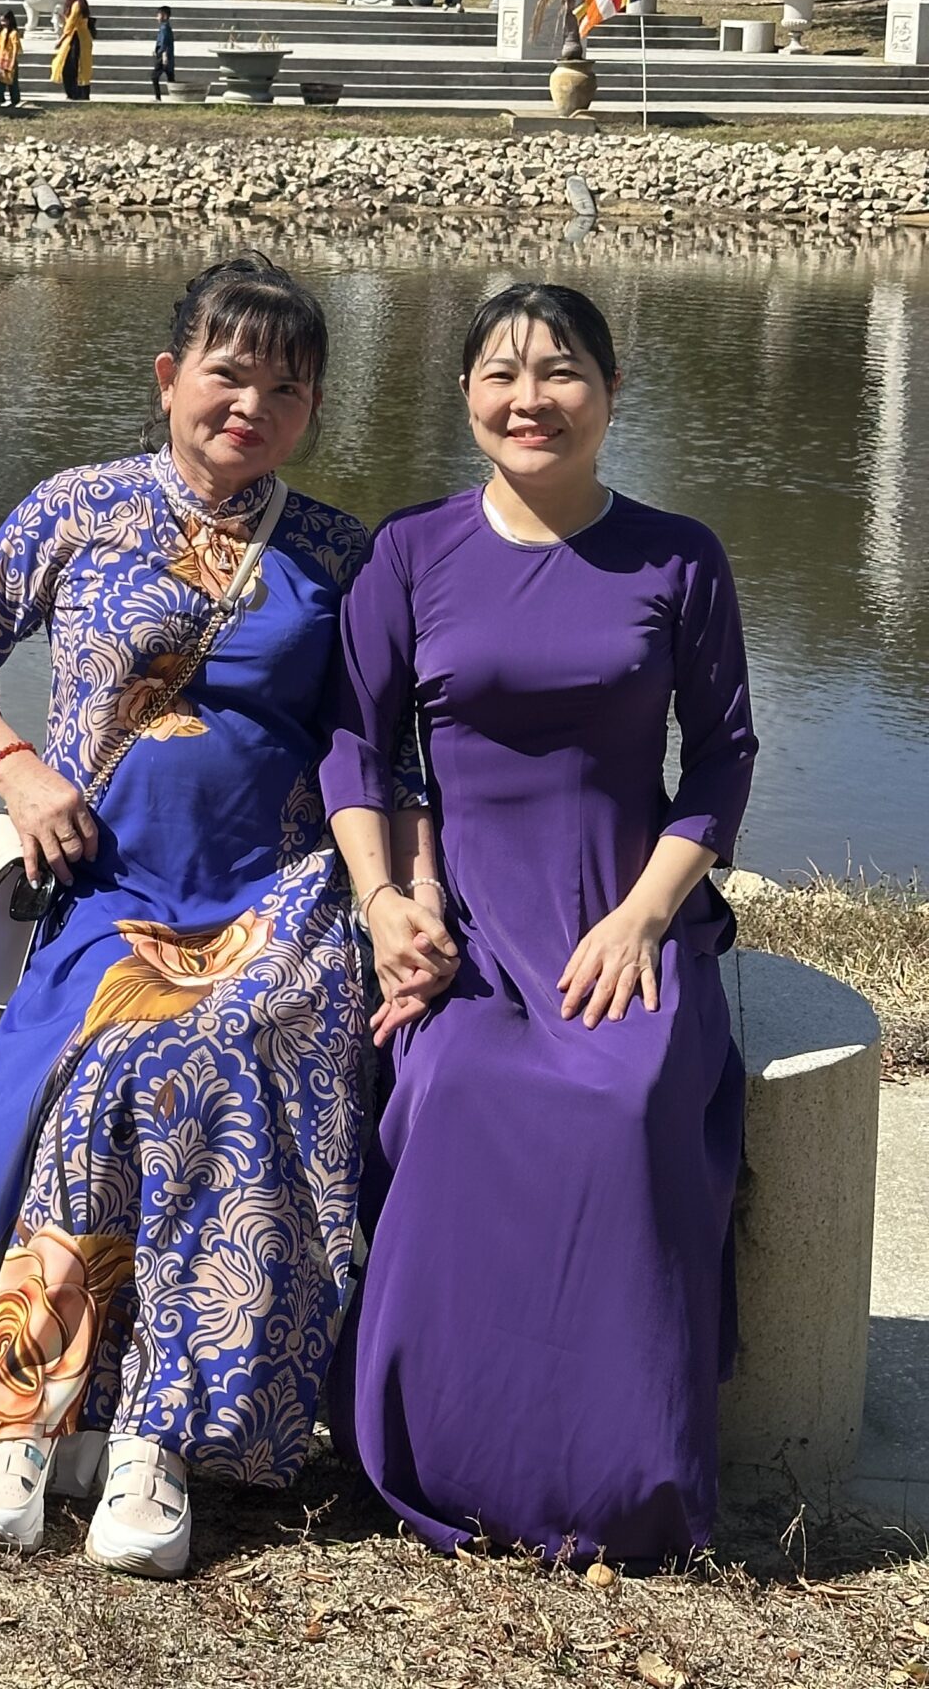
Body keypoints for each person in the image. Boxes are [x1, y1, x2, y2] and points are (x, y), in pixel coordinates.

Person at [0, 258, 434, 1577]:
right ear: (168, 378)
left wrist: (406, 898)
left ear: (313, 409)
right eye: (227, 373)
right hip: (113, 893)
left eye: (285, 386)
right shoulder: (75, 508)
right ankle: (22, 1415)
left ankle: (162, 1433)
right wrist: (15, 768)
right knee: (108, 1063)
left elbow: (388, 749)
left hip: (277, 895)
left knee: (223, 1058)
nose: (250, 404)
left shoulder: (341, 555)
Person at [320, 282, 757, 1567]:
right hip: (466, 916)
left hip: (623, 904)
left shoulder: (679, 555)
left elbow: (722, 758)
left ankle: (623, 1480)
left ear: (611, 391)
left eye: (561, 371)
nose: (531, 399)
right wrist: (389, 902)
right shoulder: (412, 550)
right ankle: (438, 1453)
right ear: (466, 394)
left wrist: (644, 918)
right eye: (502, 374)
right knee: (451, 1082)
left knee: (624, 1103)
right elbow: (356, 745)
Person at [49, 0, 96, 100]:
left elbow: (71, 25)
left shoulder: (76, 5)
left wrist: (60, 40)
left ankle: (74, 93)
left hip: (76, 38)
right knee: (81, 66)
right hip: (83, 37)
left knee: (70, 67)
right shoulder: (82, 4)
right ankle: (81, 93)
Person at [0, 9, 23, 111]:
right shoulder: (0, 33)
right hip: (2, 60)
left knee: (12, 82)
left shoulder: (13, 33)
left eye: (4, 21)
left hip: (10, 60)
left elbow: (15, 48)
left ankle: (15, 100)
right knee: (0, 81)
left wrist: (13, 61)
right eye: (1, 21)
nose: (3, 23)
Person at [150, 5, 176, 103]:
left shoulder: (165, 28)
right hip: (167, 56)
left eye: (159, 15)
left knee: (154, 76)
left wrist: (163, 55)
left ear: (164, 16)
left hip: (163, 57)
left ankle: (158, 98)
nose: (157, 17)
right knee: (170, 78)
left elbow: (164, 43)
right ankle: (176, 97)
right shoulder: (165, 27)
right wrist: (156, 49)